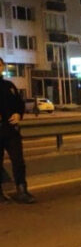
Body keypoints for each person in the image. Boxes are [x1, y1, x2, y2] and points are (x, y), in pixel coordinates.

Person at [0, 57, 35, 203]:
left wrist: (18, 114)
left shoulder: (9, 85)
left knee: (18, 161)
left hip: (11, 131)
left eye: (0, 65)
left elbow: (19, 104)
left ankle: (22, 190)